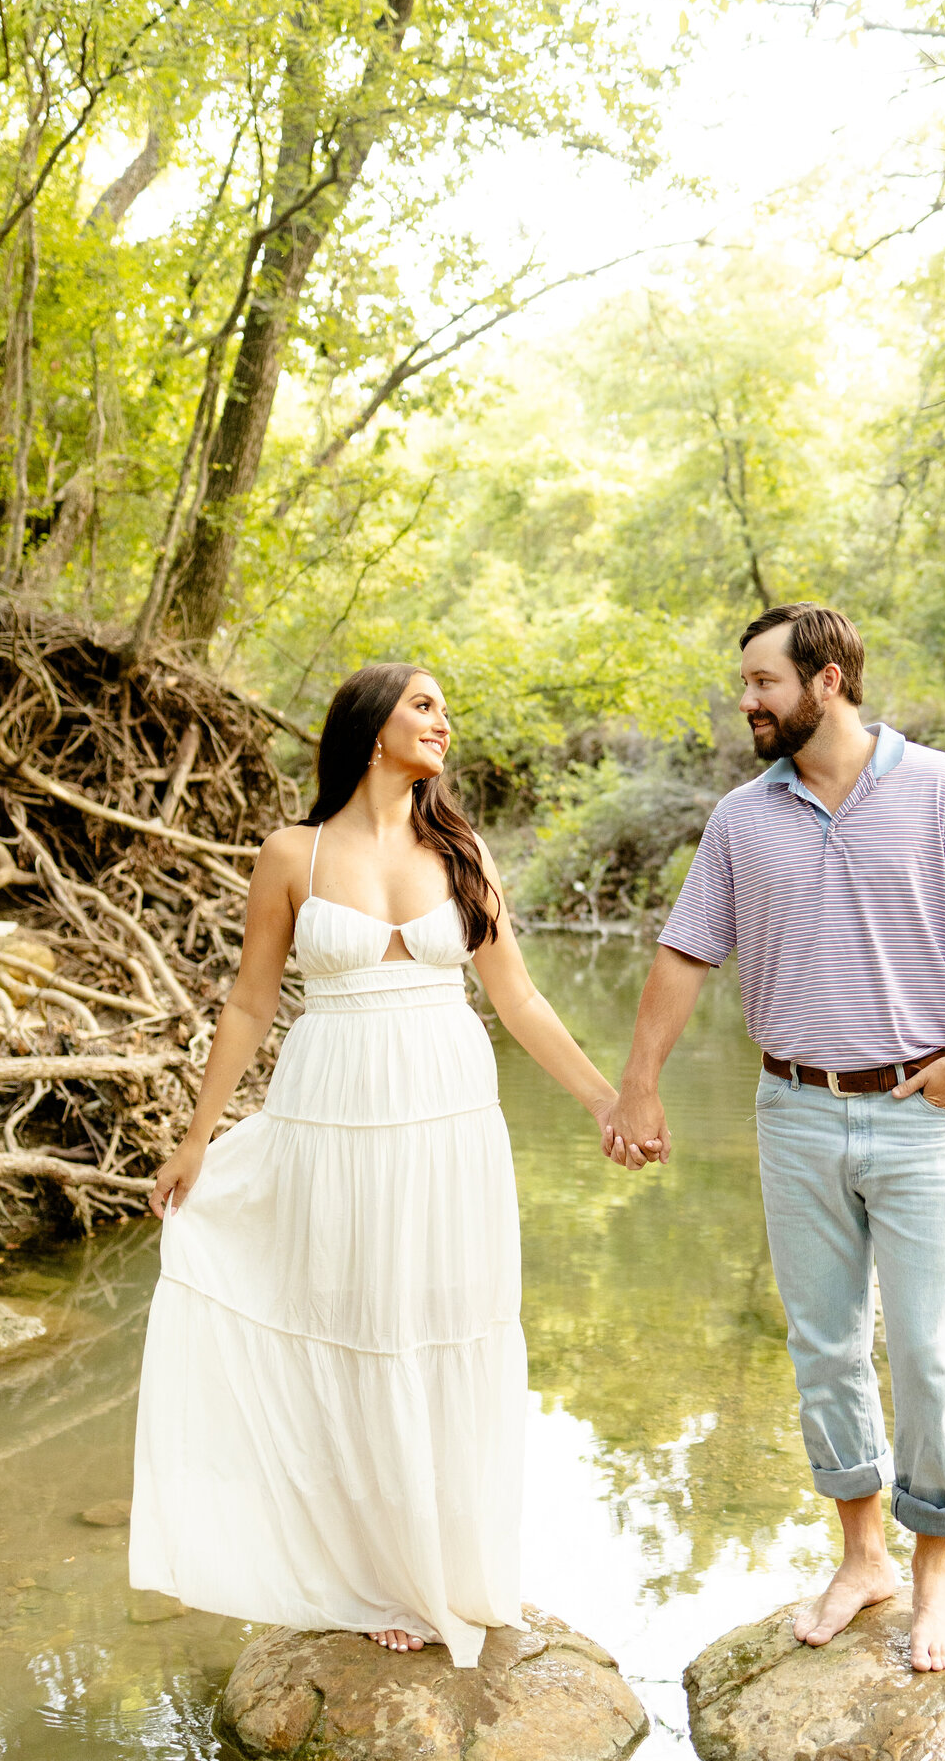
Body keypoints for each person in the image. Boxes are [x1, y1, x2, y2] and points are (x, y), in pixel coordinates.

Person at [130, 661, 621, 1666]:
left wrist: (608, 1100)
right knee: (352, 1326)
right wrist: (196, 1138)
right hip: (333, 1111)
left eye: (446, 706)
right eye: (425, 704)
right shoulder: (292, 854)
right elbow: (250, 1006)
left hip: (448, 1113)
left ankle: (443, 1565)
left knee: (443, 1324)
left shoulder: (462, 851)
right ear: (370, 726)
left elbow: (518, 999)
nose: (445, 721)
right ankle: (369, 1574)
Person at [604, 603, 945, 1673]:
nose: (745, 701)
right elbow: (683, 956)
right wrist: (640, 1087)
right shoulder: (743, 820)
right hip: (792, 1110)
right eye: (747, 683)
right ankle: (863, 1558)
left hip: (920, 1115)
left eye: (763, 682)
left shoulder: (942, 791)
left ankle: (936, 1572)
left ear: (829, 680)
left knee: (930, 1355)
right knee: (825, 1348)